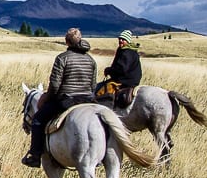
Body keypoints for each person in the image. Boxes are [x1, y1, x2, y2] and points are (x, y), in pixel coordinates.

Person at [22, 27, 97, 168]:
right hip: (87, 101)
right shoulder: (90, 59)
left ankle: (35, 155)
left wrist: (46, 97)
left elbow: (55, 85)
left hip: (67, 100)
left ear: (67, 42)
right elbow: (93, 85)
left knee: (38, 120)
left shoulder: (62, 58)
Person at [96, 29, 142, 108]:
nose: (120, 40)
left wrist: (109, 70)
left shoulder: (127, 52)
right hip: (130, 80)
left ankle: (106, 108)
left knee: (101, 90)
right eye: (120, 39)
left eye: (123, 39)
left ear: (127, 41)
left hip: (125, 81)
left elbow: (122, 69)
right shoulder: (128, 50)